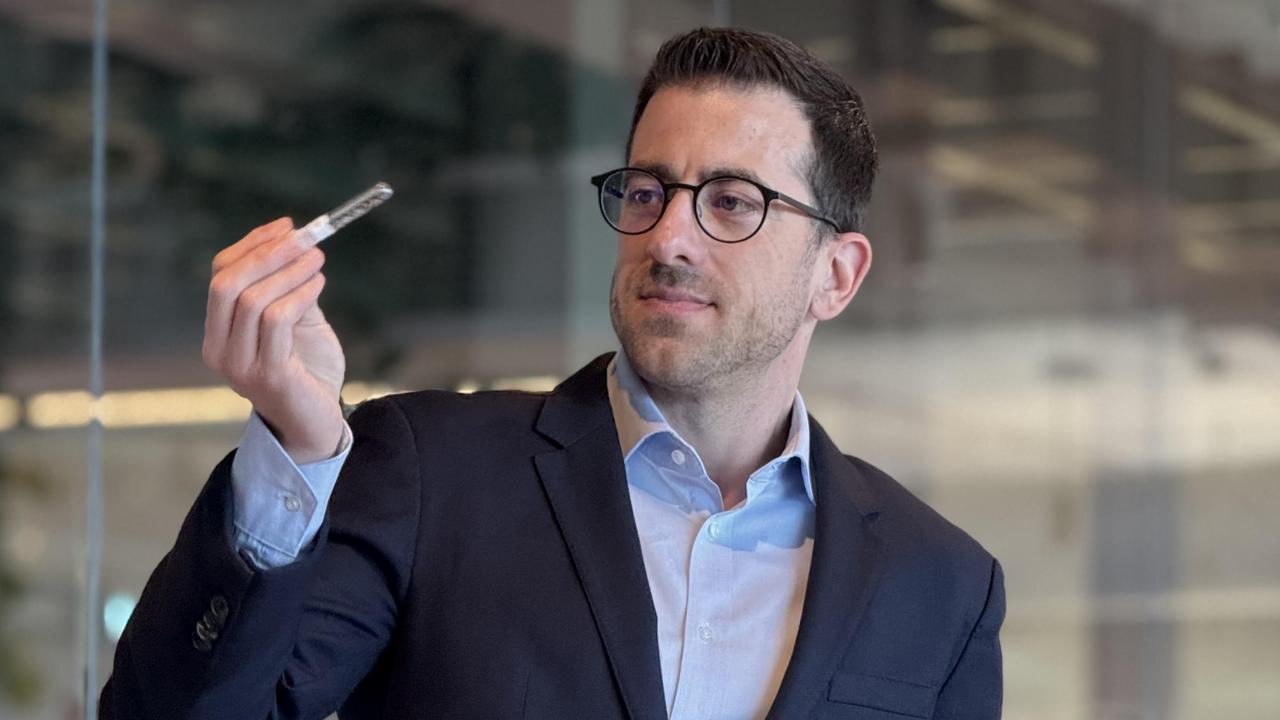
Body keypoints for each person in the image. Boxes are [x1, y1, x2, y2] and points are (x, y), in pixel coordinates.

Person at [101, 26, 1003, 720]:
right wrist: (297, 447)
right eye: (648, 191)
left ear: (835, 275)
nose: (669, 237)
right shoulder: (431, 473)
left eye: (732, 201)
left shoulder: (941, 583)